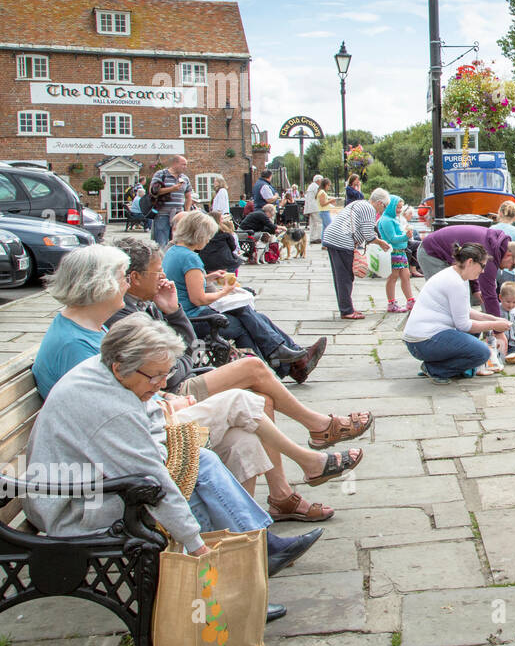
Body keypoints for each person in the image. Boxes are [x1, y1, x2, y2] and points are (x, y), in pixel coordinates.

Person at [25, 313, 323, 588]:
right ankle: (217, 581)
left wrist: (170, 444)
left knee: (199, 461)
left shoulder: (111, 374)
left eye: (164, 375)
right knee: (190, 485)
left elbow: (151, 416)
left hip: (86, 487)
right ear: (120, 366)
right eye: (154, 376)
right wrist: (195, 543)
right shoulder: (110, 406)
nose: (161, 384)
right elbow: (152, 480)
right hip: (73, 509)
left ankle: (251, 556)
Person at [110, 236, 370, 473]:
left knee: (263, 397)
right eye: (157, 272)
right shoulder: (128, 316)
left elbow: (184, 351)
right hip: (170, 391)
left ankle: (282, 495)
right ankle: (317, 422)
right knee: (251, 363)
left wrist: (173, 310)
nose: (163, 276)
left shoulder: (147, 303)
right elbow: (171, 369)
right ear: (133, 277)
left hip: (177, 375)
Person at [163, 211, 314, 377]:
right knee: (246, 324)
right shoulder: (190, 258)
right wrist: (224, 292)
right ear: (199, 235)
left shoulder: (173, 252)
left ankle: (285, 359)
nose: (208, 241)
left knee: (253, 317)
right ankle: (273, 365)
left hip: (183, 315)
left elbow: (184, 282)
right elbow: (198, 299)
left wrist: (207, 278)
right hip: (196, 319)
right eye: (208, 237)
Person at [403, 243, 511, 382]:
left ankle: (444, 366)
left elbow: (466, 312)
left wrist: (495, 320)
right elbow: (464, 325)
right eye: (482, 266)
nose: (483, 271)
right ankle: (436, 369)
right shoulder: (456, 283)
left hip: (420, 340)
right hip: (423, 342)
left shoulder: (457, 276)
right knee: (482, 353)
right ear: (470, 262)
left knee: (475, 334)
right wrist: (494, 325)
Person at [33, 245, 130, 398]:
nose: (128, 285)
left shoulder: (87, 324)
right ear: (102, 284)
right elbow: (100, 403)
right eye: (124, 278)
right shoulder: (74, 345)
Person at [416, 223, 515, 319]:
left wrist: (476, 289)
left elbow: (471, 266)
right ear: (509, 254)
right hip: (432, 253)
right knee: (445, 297)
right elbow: (489, 296)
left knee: (466, 299)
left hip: (448, 253)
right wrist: (498, 331)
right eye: (513, 266)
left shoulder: (496, 245)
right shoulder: (491, 255)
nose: (509, 269)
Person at [322, 188, 391, 319]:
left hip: (333, 237)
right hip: (341, 241)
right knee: (345, 277)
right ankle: (347, 310)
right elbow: (368, 234)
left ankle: (346, 308)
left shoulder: (359, 203)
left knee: (341, 276)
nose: (383, 210)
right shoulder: (370, 209)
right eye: (385, 206)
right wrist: (380, 243)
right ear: (380, 203)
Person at [377, 195, 415, 314]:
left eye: (400, 208)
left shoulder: (393, 219)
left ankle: (410, 300)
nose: (399, 210)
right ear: (391, 206)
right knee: (393, 277)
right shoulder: (387, 220)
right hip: (393, 251)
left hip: (400, 251)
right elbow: (392, 238)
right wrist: (405, 236)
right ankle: (391, 303)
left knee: (406, 275)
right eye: (397, 207)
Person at [147, 154, 193, 247]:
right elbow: (152, 191)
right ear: (175, 163)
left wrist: (187, 213)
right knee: (161, 243)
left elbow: (188, 197)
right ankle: (162, 261)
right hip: (162, 214)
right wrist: (172, 189)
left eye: (186, 165)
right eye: (183, 164)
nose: (185, 167)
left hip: (178, 215)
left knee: (178, 243)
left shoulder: (185, 178)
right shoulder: (161, 174)